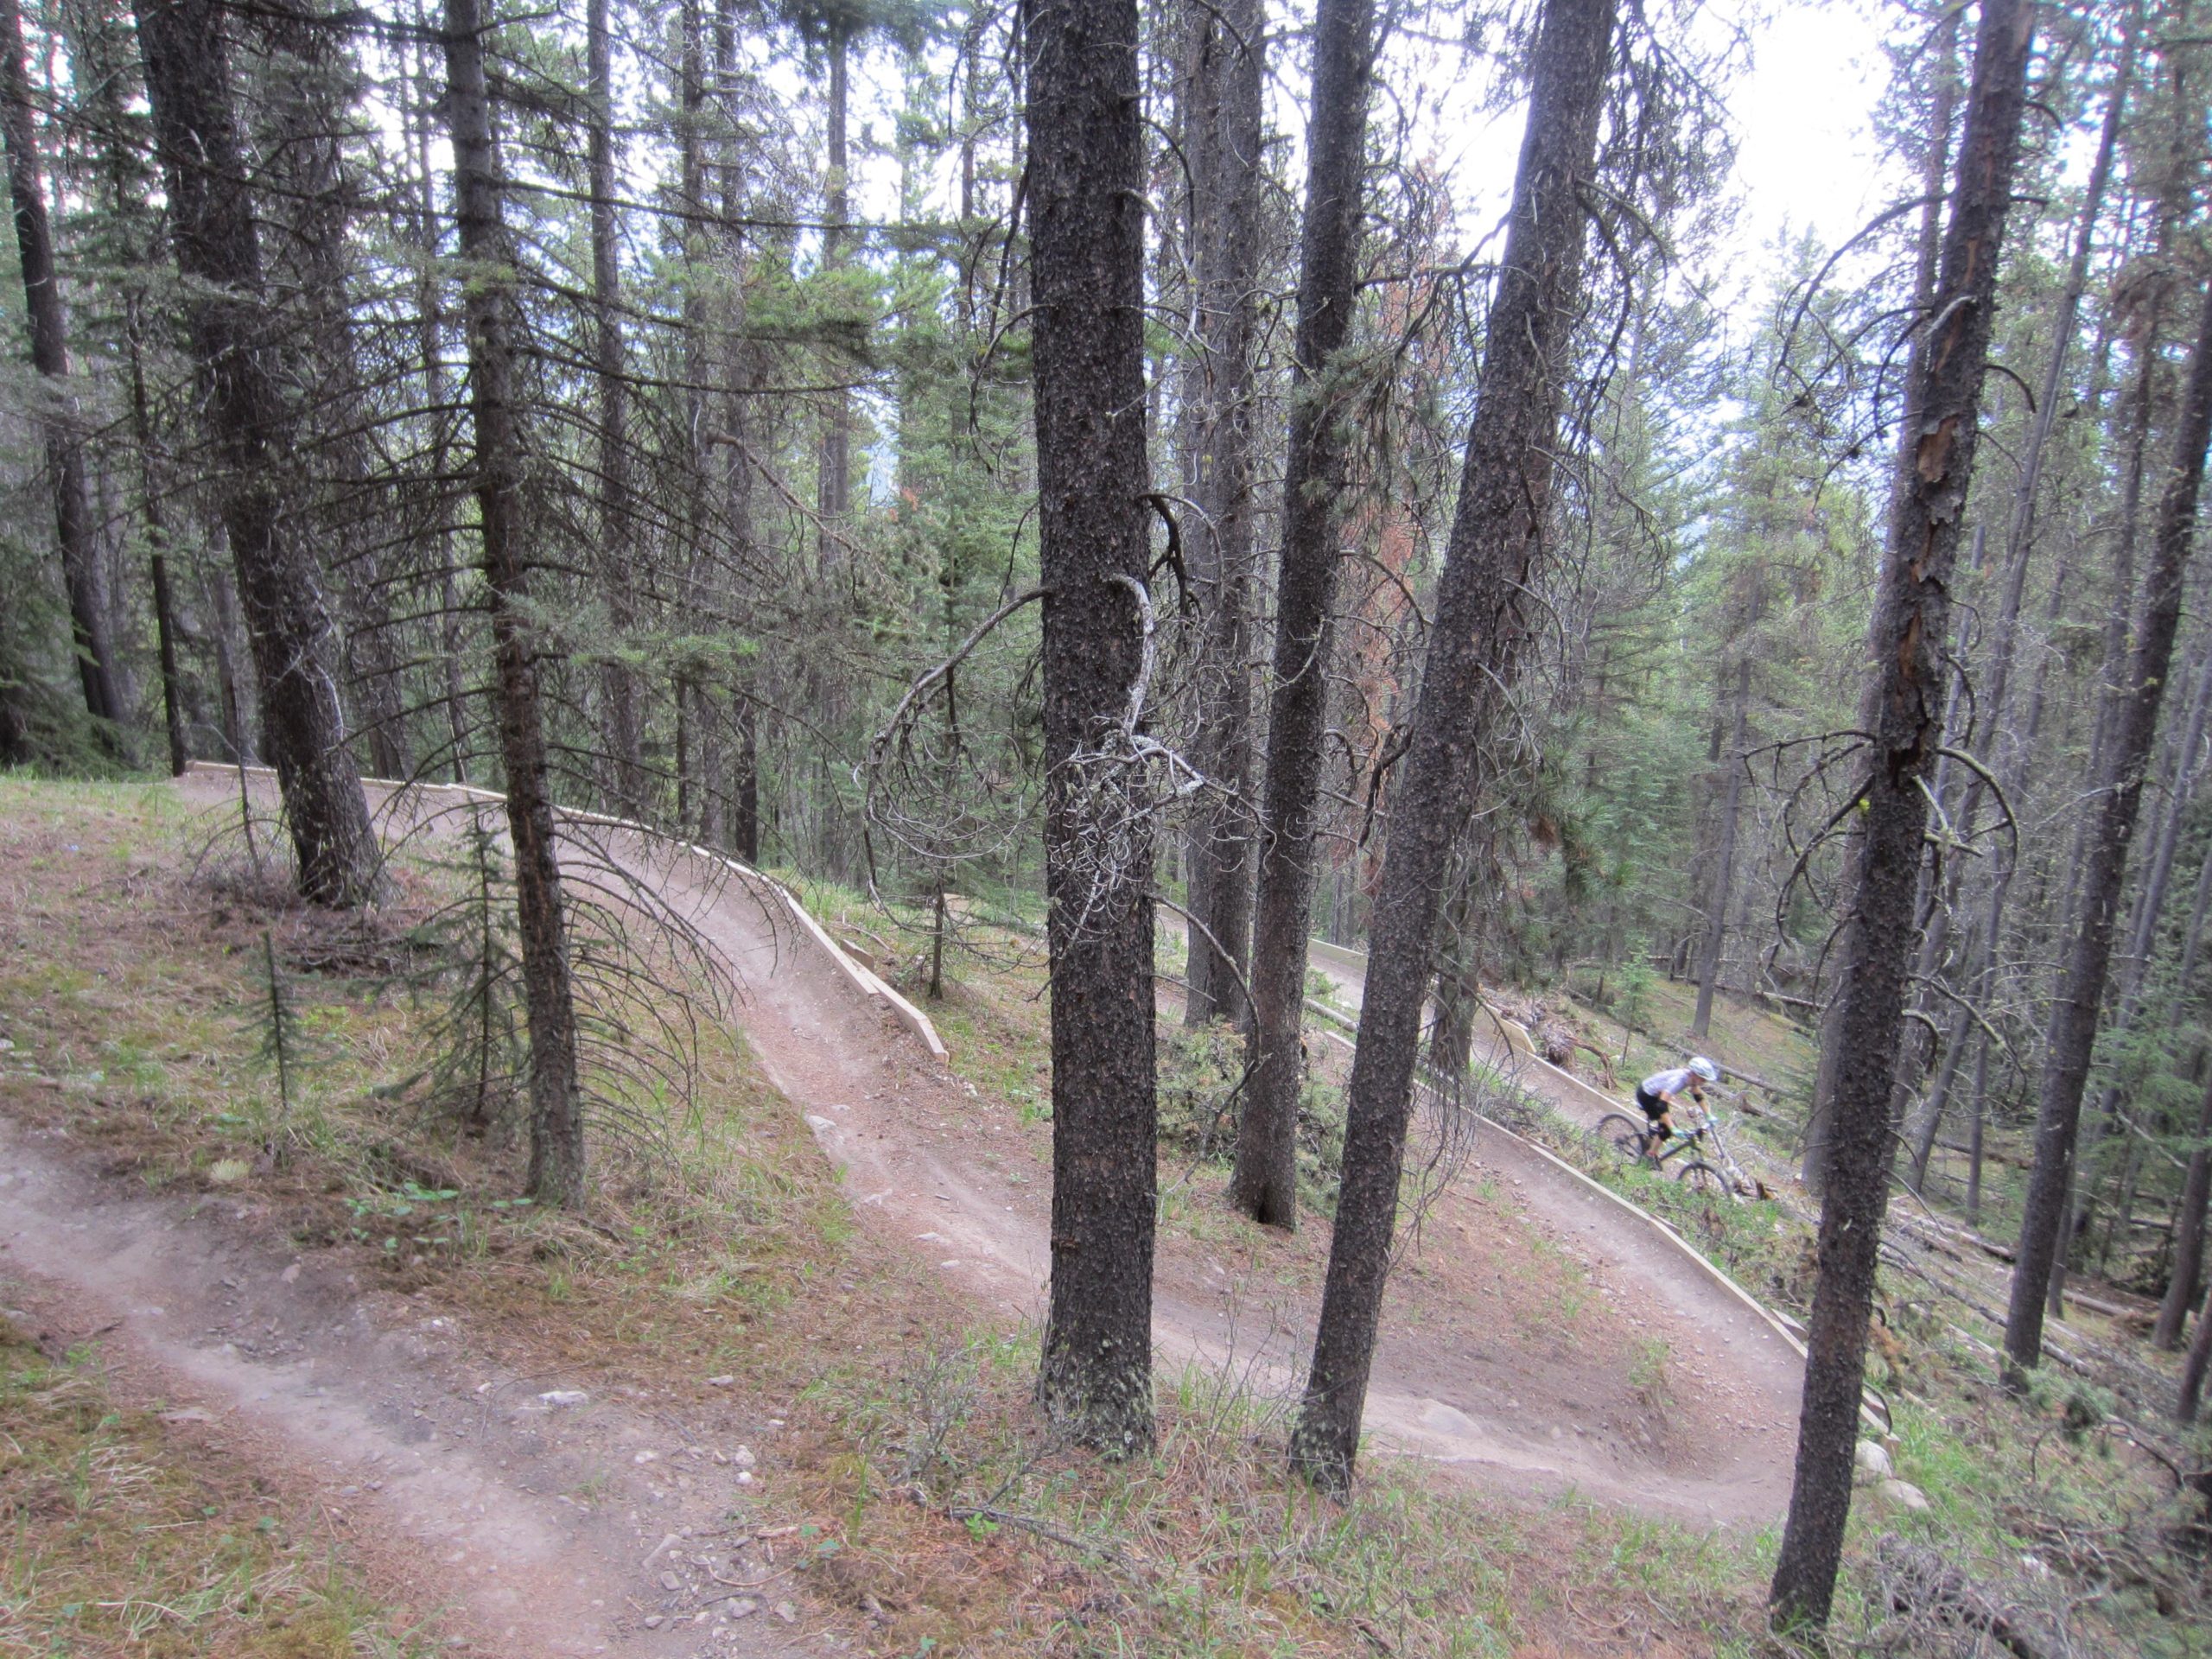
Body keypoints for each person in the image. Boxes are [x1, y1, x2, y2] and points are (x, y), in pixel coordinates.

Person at [1635, 1056, 1719, 1160]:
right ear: (1695, 1074)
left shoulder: (1692, 1078)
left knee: (1666, 1126)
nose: (1704, 1081)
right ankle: (1650, 1156)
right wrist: (1672, 1128)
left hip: (1657, 1095)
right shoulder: (1679, 1080)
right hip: (1647, 1095)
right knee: (1667, 1130)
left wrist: (1708, 1115)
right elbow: (1661, 1105)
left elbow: (1698, 1096)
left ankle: (1650, 1141)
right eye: (1703, 1079)